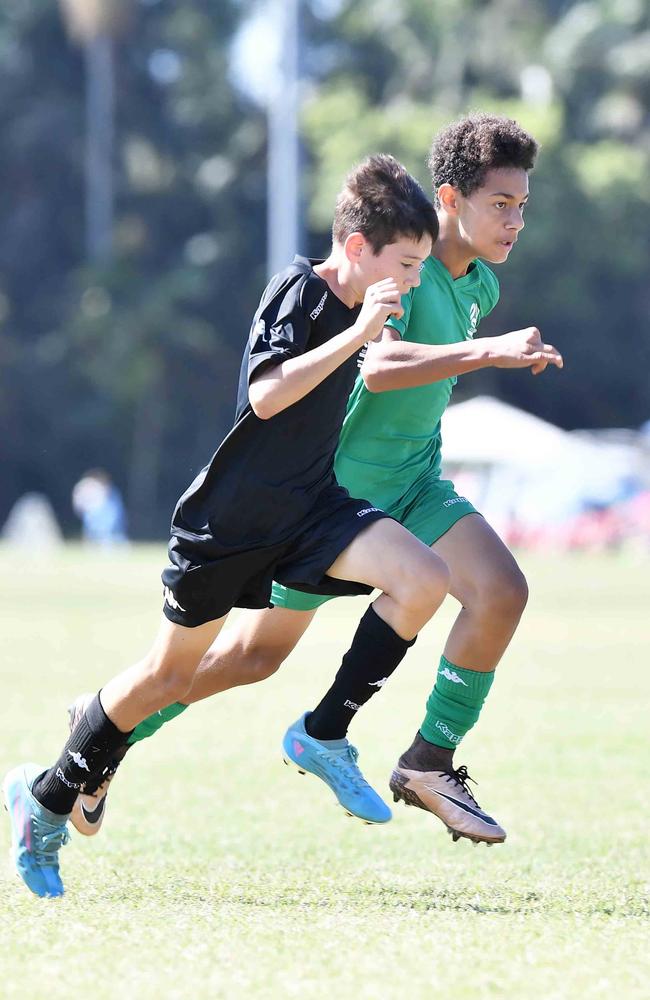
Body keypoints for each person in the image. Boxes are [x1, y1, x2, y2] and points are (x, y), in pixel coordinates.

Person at [65, 113, 562, 848]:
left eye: (523, 204)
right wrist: (488, 354)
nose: (516, 220)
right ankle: (105, 729)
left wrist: (480, 349)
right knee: (249, 658)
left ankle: (429, 761)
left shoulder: (478, 284)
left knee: (501, 593)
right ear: (449, 199)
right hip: (336, 495)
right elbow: (383, 367)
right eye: (501, 204)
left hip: (417, 485)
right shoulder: (397, 268)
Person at [3, 154, 448, 898]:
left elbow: (384, 366)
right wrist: (356, 333)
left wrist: (474, 349)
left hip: (311, 508)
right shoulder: (302, 289)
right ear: (357, 247)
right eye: (404, 263)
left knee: (423, 578)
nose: (411, 280)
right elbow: (267, 396)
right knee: (166, 677)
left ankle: (325, 732)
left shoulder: (375, 304)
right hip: (231, 522)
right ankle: (42, 799)